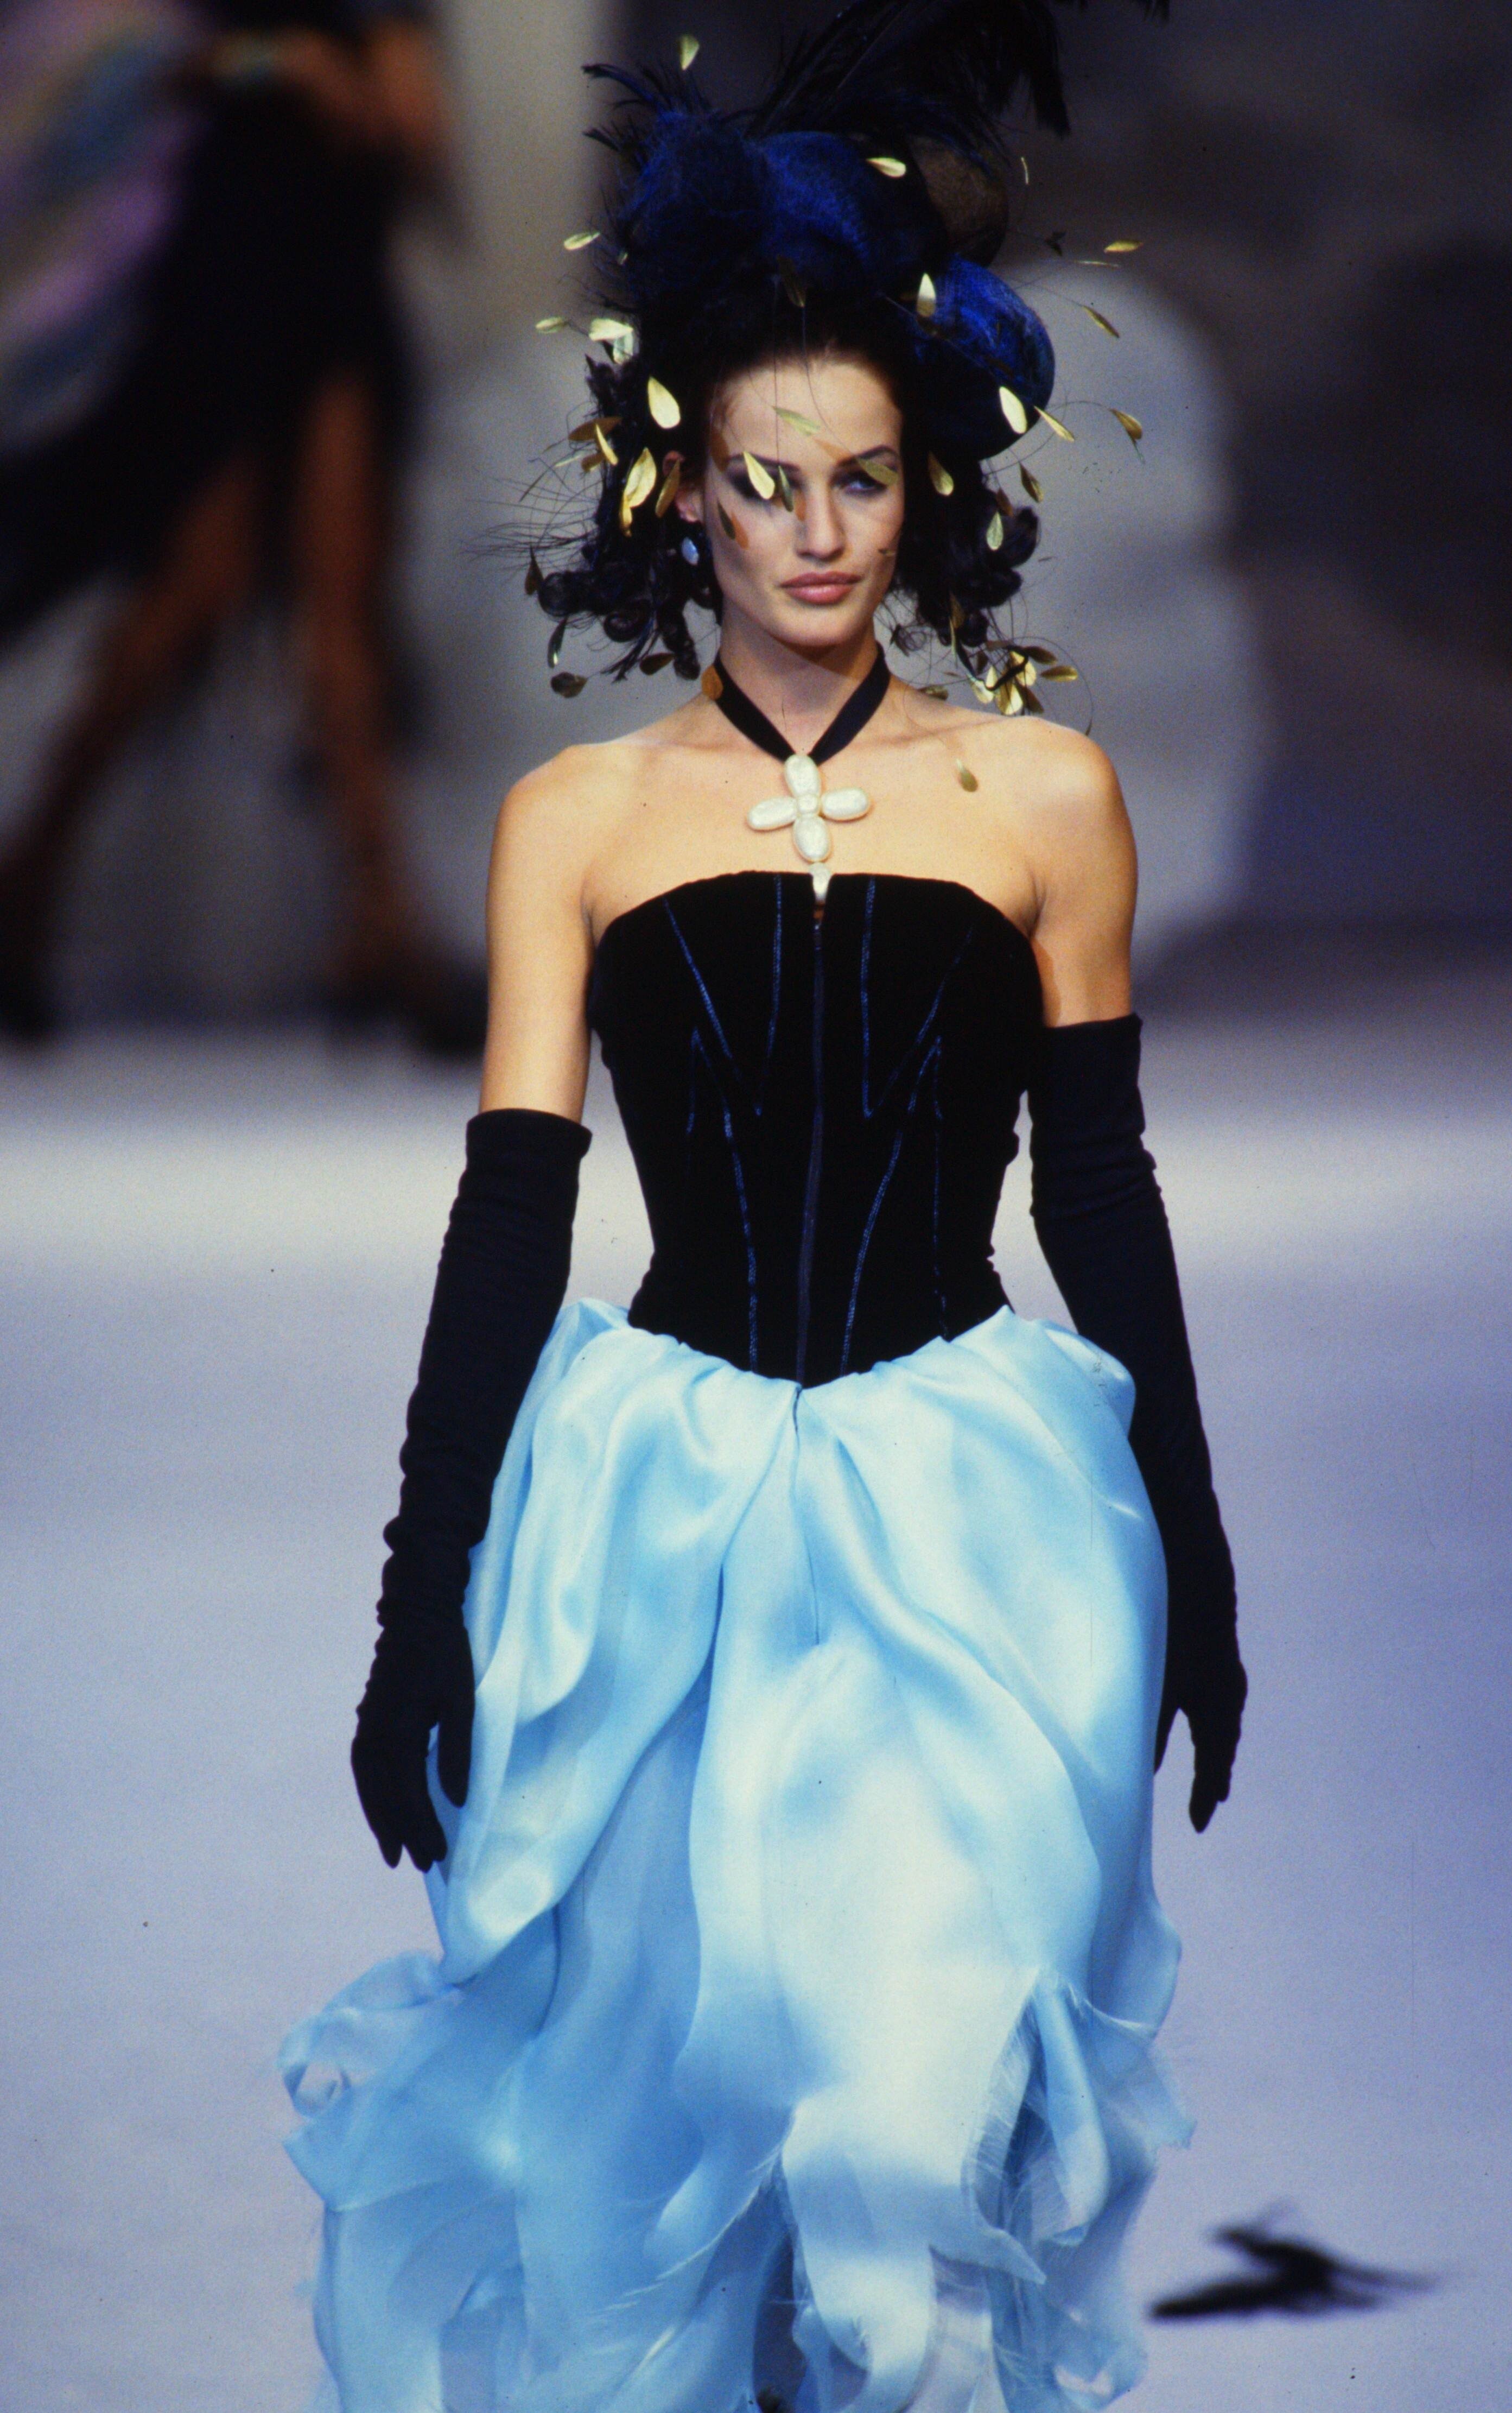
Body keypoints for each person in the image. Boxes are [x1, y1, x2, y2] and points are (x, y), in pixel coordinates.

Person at [280, 5, 1247, 2408]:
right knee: (665, 2152)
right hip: (658, 1523)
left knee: (910, 2141)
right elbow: (511, 1220)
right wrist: (420, 1600)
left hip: (979, 1510)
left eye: (862, 479)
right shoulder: (578, 826)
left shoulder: (1047, 798)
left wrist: (1198, 1548)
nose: (818, 531)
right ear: (680, 494)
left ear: (930, 492)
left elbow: (1099, 1188)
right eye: (766, 480)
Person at [0, 0, 482, 1051]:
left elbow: (412, 111)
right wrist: (288, 60)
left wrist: (398, 86)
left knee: (342, 599)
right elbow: (149, 57)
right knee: (195, 589)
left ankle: (380, 918)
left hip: (337, 251)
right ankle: (28, 883)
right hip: (238, 261)